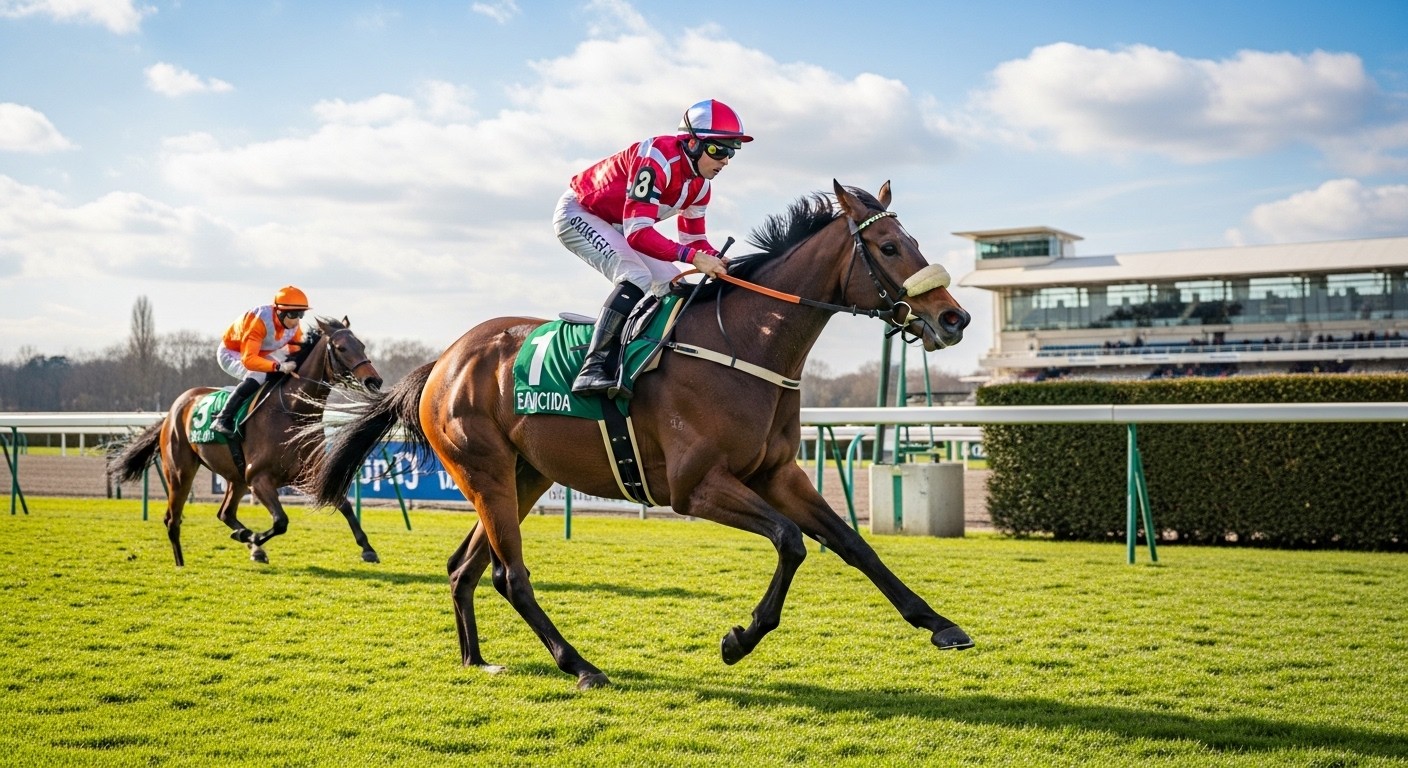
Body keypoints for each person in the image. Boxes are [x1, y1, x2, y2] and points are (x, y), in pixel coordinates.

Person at [553, 99, 751, 398]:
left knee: (673, 284)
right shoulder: (657, 158)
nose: (725, 161)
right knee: (636, 276)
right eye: (718, 150)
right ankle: (591, 368)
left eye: (731, 152)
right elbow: (638, 235)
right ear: (692, 143)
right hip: (580, 213)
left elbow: (693, 243)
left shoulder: (700, 186)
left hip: (621, 225)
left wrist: (721, 261)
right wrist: (696, 258)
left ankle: (645, 358)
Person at [211, 285, 309, 437]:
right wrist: (278, 367)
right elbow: (249, 360)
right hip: (233, 352)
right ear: (279, 312)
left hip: (263, 353)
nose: (297, 320)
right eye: (293, 314)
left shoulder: (293, 325)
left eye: (301, 314)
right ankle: (223, 418)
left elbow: (295, 351)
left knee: (290, 367)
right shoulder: (259, 321)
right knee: (259, 375)